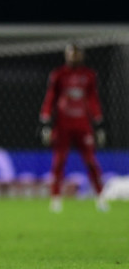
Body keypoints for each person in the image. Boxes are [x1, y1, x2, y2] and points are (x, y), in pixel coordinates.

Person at [39, 43, 105, 212]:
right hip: (63, 126)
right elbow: (50, 98)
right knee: (59, 162)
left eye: (76, 54)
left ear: (81, 55)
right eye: (71, 53)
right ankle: (55, 199)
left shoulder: (88, 75)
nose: (74, 57)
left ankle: (100, 197)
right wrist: (45, 121)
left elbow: (93, 100)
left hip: (83, 125)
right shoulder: (59, 75)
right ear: (66, 55)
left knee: (91, 161)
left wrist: (98, 123)